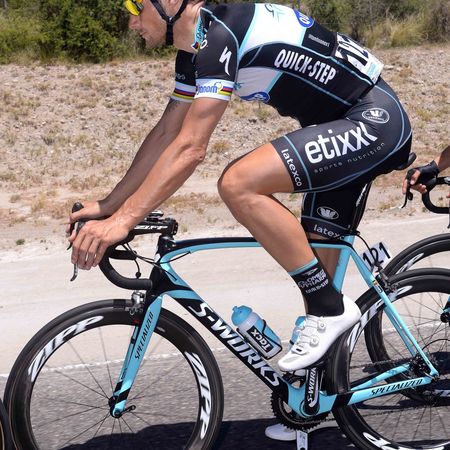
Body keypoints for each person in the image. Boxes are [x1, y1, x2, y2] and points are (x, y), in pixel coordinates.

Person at [68, 0, 412, 404]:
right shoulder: (195, 50)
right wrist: (111, 204)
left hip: (372, 121)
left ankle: (330, 310)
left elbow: (191, 148)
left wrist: (123, 221)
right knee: (315, 283)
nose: (130, 21)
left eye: (134, 5)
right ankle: (310, 407)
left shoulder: (220, 36)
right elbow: (166, 134)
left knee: (238, 183)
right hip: (336, 127)